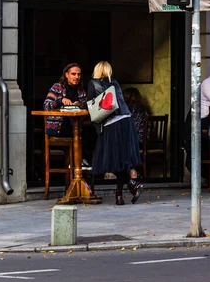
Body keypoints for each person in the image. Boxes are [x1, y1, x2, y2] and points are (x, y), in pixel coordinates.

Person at [87, 61, 143, 205]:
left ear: (97, 70)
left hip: (111, 123)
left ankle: (131, 184)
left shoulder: (93, 83)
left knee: (113, 159)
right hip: (126, 120)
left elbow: (91, 104)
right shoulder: (115, 83)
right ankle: (121, 193)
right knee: (123, 158)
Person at [43, 63, 94, 165]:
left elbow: (87, 112)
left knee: (92, 132)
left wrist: (80, 105)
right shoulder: (57, 87)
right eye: (73, 74)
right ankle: (79, 164)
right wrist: (61, 101)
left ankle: (81, 166)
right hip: (59, 127)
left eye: (78, 74)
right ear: (66, 75)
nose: (76, 77)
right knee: (83, 137)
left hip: (76, 127)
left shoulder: (81, 91)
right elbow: (46, 105)